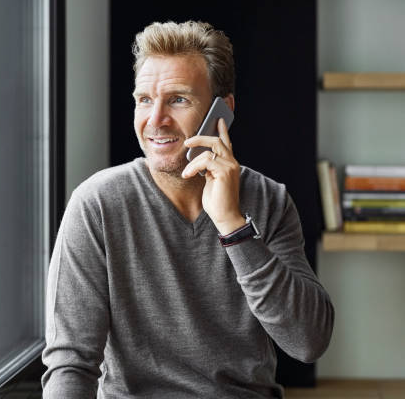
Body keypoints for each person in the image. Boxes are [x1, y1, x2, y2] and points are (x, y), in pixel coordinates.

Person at [41, 21, 334, 398]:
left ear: (222, 111)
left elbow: (308, 342)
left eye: (178, 99)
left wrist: (233, 225)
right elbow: (71, 364)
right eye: (144, 99)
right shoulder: (97, 205)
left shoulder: (268, 200)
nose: (155, 120)